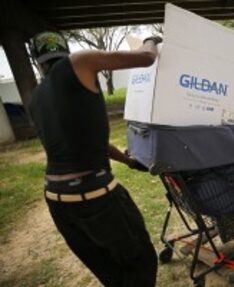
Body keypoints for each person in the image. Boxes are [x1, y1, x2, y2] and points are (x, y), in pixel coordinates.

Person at [29, 31, 162, 286]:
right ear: (65, 50)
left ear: (37, 60)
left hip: (58, 201)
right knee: (140, 263)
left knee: (111, 273)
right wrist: (152, 41)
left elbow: (87, 144)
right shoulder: (81, 61)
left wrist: (129, 162)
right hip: (95, 195)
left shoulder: (35, 97)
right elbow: (146, 58)